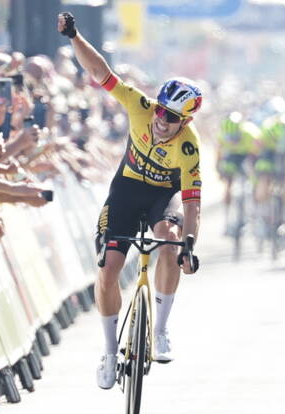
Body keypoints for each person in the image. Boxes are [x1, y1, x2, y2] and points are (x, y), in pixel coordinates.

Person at [57, 11, 201, 390]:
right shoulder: (141, 107)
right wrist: (74, 37)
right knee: (108, 271)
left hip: (163, 196)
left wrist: (189, 243)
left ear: (185, 122)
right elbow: (102, 73)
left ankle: (163, 328)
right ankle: (108, 353)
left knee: (169, 243)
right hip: (126, 189)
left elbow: (191, 202)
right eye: (160, 110)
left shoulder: (189, 147)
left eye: (171, 117)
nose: (161, 121)